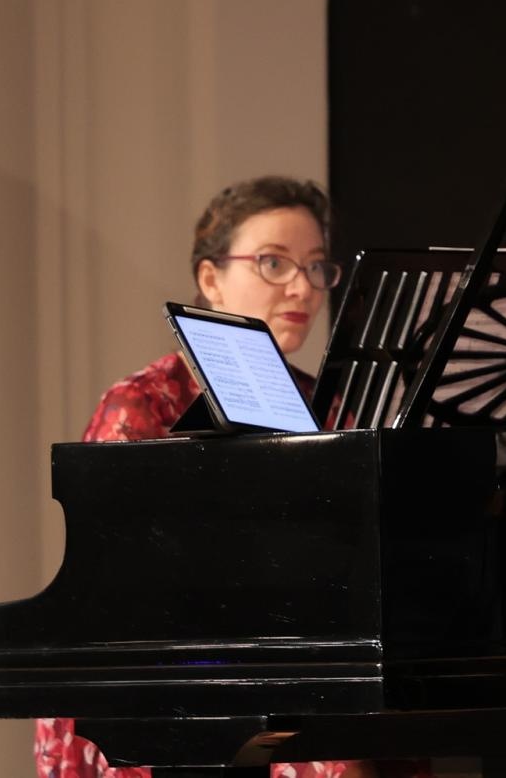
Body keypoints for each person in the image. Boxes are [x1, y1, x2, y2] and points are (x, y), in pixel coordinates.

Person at [34, 176, 425, 778]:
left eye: (318, 267)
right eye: (274, 262)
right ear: (210, 278)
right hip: (160, 677)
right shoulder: (143, 404)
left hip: (296, 665)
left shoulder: (327, 409)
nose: (302, 286)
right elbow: (119, 588)